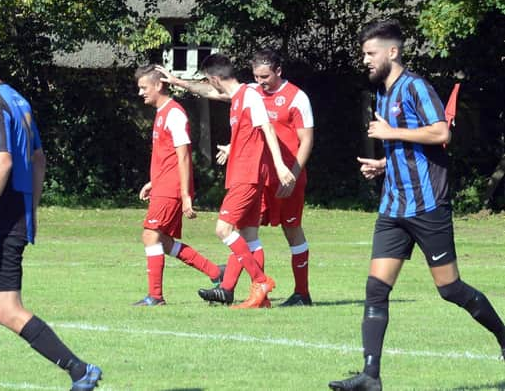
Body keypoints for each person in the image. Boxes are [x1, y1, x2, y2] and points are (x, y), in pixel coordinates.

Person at [328, 19, 505, 391]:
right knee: (376, 288)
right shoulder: (382, 94)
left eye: (370, 53)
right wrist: (383, 164)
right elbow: (407, 151)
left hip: (427, 206)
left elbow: (441, 132)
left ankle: (504, 337)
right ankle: (370, 376)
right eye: (364, 54)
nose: (365, 60)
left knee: (450, 289)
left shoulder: (416, 87)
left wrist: (391, 133)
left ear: (392, 52)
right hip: (393, 208)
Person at [0, 36, 102, 391]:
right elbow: (38, 159)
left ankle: (80, 370)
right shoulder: (18, 101)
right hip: (11, 215)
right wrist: (29, 210)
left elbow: (3, 161)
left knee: (5, 309)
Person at [156, 48, 314, 307]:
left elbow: (298, 138)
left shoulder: (294, 98)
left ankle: (297, 291)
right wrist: (178, 82)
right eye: (256, 76)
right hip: (259, 176)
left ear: (278, 71)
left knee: (285, 231)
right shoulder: (249, 93)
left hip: (279, 175)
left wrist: (291, 172)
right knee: (247, 233)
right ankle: (234, 290)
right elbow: (216, 94)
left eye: (265, 76)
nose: (261, 81)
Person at [195, 53, 296, 309]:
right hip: (243, 173)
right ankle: (259, 300)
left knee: (223, 230)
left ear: (215, 78)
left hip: (247, 175)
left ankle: (260, 281)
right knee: (250, 236)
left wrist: (280, 165)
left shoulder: (250, 94)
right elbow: (249, 133)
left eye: (209, 81)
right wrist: (232, 148)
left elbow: (267, 128)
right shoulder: (239, 98)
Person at [133, 64, 223, 306]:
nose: (141, 93)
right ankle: (216, 272)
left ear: (159, 85)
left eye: (144, 87)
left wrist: (185, 195)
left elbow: (183, 155)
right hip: (164, 186)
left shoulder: (174, 113)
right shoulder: (162, 112)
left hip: (172, 189)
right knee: (163, 241)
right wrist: (153, 181)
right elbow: (168, 157)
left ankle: (156, 296)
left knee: (150, 235)